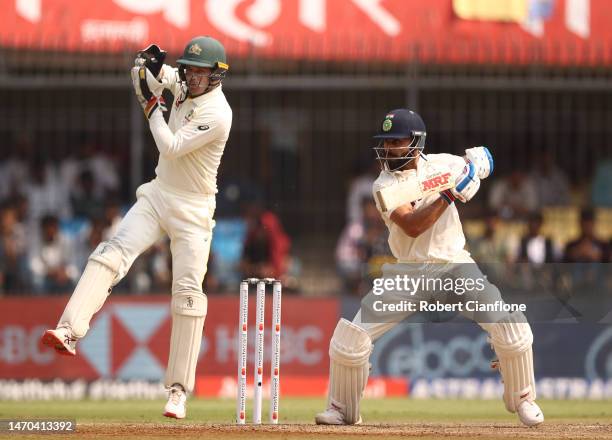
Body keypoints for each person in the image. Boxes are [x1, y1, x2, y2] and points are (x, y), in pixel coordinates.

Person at [40, 36, 233, 419]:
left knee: (188, 295)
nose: (191, 78)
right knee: (111, 253)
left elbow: (172, 146)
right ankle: (69, 330)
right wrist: (144, 64)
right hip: (160, 193)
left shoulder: (219, 112)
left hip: (194, 210)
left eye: (199, 72)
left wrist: (150, 106)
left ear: (216, 75)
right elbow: (147, 72)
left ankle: (178, 392)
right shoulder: (182, 81)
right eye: (189, 70)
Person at [315, 109, 544, 427]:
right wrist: (451, 193)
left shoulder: (445, 164)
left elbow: (483, 164)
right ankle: (342, 409)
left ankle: (523, 400)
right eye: (385, 141)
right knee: (350, 339)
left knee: (511, 329)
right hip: (409, 272)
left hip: (456, 265)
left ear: (416, 142)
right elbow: (412, 225)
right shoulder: (383, 184)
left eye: (396, 140)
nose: (388, 147)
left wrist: (478, 165)